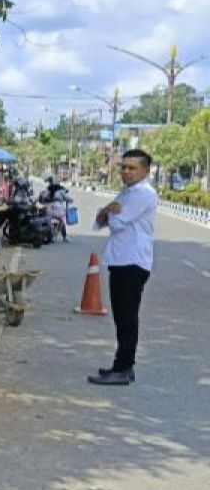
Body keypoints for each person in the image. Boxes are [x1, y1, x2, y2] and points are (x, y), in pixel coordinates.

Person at [88, 149, 158, 386]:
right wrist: (108, 210)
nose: (126, 172)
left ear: (145, 171)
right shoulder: (126, 193)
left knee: (127, 317)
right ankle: (122, 366)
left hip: (132, 261)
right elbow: (100, 219)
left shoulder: (143, 194)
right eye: (124, 167)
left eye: (132, 168)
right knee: (121, 317)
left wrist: (109, 212)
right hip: (120, 260)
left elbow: (117, 222)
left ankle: (124, 367)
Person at [39, 175, 71, 242]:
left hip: (49, 208)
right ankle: (64, 237)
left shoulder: (48, 189)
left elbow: (43, 197)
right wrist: (70, 200)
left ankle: (46, 234)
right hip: (59, 208)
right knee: (62, 221)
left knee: (46, 219)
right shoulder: (62, 190)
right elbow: (68, 198)